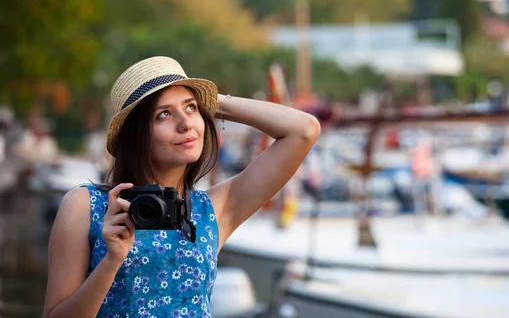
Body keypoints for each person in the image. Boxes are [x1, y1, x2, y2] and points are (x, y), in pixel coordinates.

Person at [42, 56, 321, 317]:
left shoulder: (212, 209)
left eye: (191, 108)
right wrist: (111, 261)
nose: (186, 123)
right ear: (137, 134)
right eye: (163, 115)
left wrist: (211, 101)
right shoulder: (85, 206)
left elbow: (304, 130)